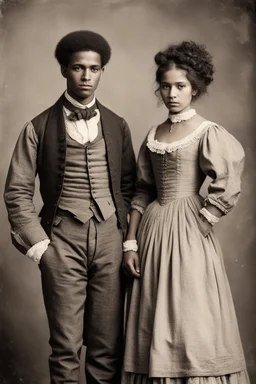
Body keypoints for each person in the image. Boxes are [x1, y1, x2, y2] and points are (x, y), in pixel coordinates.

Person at [4, 30, 136, 383]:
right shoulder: (38, 126)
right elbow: (17, 191)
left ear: (102, 71)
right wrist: (40, 247)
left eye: (94, 68)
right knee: (65, 347)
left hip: (110, 238)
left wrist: (124, 238)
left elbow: (128, 186)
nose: (87, 76)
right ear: (64, 69)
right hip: (62, 241)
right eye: (79, 68)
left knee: (107, 346)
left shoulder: (117, 124)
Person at [122, 41, 250, 383]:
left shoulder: (208, 132)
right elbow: (143, 190)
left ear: (195, 88)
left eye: (181, 86)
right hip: (152, 229)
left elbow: (227, 179)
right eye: (166, 86)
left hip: (189, 231)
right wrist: (130, 243)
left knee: (189, 316)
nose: (173, 94)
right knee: (153, 314)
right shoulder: (153, 134)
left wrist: (205, 219)